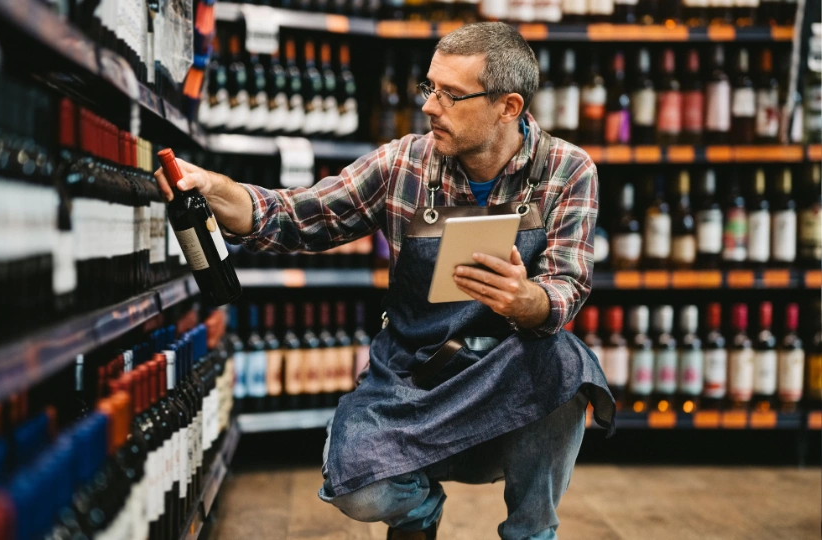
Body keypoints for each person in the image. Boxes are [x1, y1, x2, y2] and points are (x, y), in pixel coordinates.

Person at [155, 22, 614, 540]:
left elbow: (568, 285)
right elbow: (300, 215)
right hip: (416, 375)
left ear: (508, 107)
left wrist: (527, 298)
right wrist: (218, 189)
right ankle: (419, 513)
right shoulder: (405, 163)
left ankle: (531, 532)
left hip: (510, 370)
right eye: (429, 88)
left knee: (565, 365)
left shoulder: (567, 170)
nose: (429, 106)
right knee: (355, 485)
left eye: (450, 95)